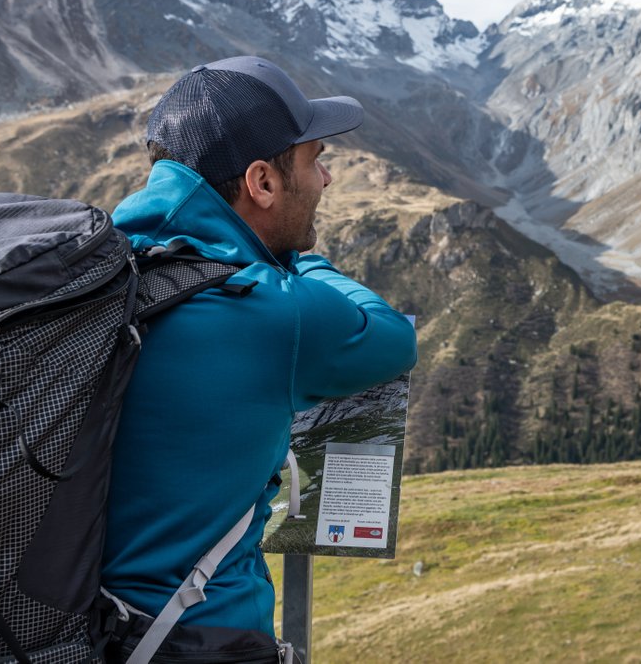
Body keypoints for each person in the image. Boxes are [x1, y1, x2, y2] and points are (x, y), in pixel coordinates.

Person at [99, 56, 417, 660]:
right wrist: (298, 263)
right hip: (200, 634)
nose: (325, 179)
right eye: (313, 159)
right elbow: (391, 337)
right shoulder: (275, 311)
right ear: (262, 183)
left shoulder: (107, 271)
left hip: (69, 627)